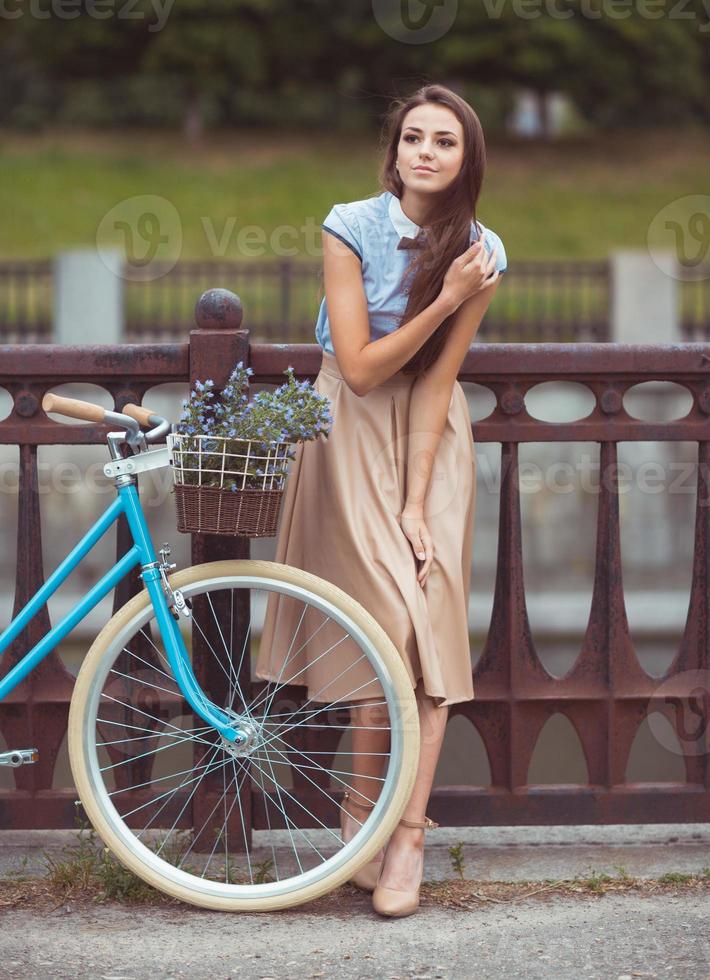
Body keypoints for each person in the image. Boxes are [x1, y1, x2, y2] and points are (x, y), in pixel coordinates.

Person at [255, 82, 507, 917]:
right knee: (380, 630)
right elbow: (362, 369)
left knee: (426, 625)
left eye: (444, 141)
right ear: (394, 150)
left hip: (430, 435)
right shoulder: (350, 226)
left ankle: (405, 836)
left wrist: (413, 501)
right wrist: (444, 297)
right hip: (350, 420)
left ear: (467, 158)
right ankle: (358, 821)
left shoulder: (482, 250)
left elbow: (437, 379)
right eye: (413, 138)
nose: (425, 152)